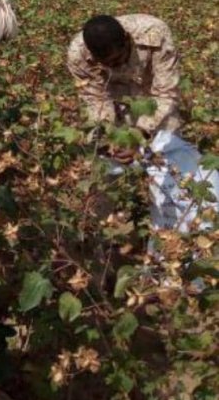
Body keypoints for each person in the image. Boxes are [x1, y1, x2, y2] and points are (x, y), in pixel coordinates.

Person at [67, 15, 218, 235]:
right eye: (106, 64)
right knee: (103, 174)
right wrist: (111, 138)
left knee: (169, 169)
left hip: (156, 104)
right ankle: (95, 236)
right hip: (115, 106)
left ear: (127, 40)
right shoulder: (78, 54)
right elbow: (95, 100)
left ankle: (180, 233)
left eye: (118, 60)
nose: (114, 67)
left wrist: (139, 137)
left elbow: (165, 93)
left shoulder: (154, 34)